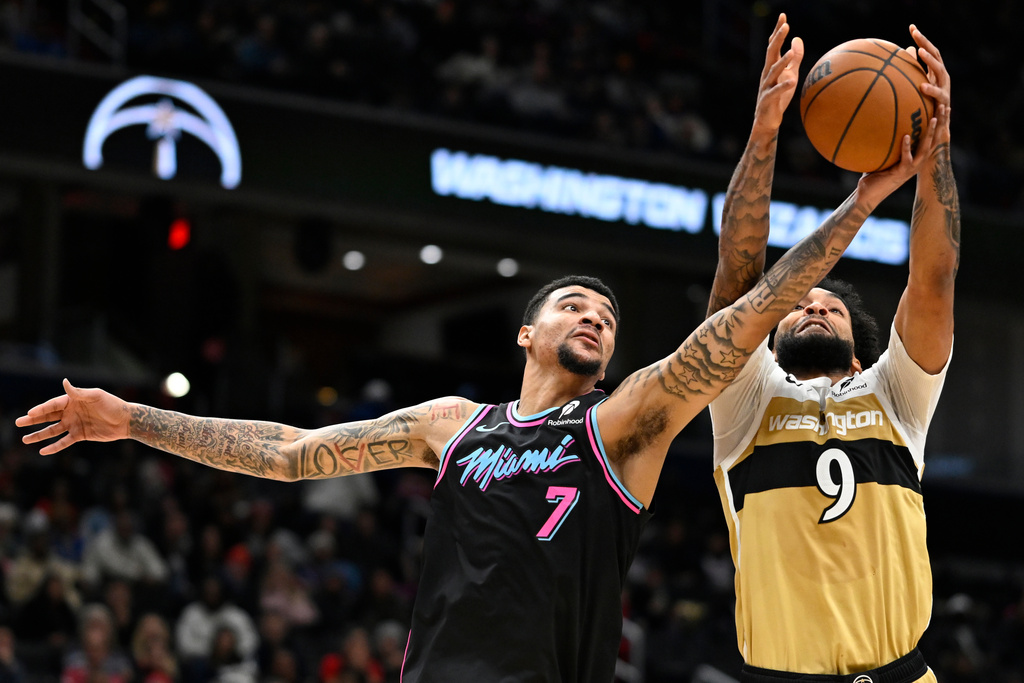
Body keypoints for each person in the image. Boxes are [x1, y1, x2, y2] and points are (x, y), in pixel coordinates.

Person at [17, 112, 940, 681]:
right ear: (526, 334)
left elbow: (744, 316)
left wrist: (855, 208)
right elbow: (287, 451)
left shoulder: (622, 424)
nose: (595, 318)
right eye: (573, 305)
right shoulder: (452, 427)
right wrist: (130, 418)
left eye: (608, 317)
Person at [707, 14, 958, 683]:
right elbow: (737, 278)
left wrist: (936, 150)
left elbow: (932, 281)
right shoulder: (745, 402)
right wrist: (764, 132)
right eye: (799, 305)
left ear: (861, 347)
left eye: (831, 305)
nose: (813, 302)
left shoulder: (895, 396)